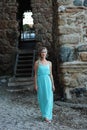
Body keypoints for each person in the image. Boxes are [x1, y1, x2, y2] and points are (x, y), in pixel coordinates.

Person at [34, 46, 55, 123]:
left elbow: (51, 74)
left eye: (45, 52)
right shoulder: (37, 63)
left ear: (47, 53)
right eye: (42, 52)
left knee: (49, 99)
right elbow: (35, 75)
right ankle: (44, 115)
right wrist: (35, 85)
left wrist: (53, 85)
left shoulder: (49, 63)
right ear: (40, 53)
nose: (44, 53)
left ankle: (48, 115)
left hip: (48, 81)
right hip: (40, 81)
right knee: (42, 99)